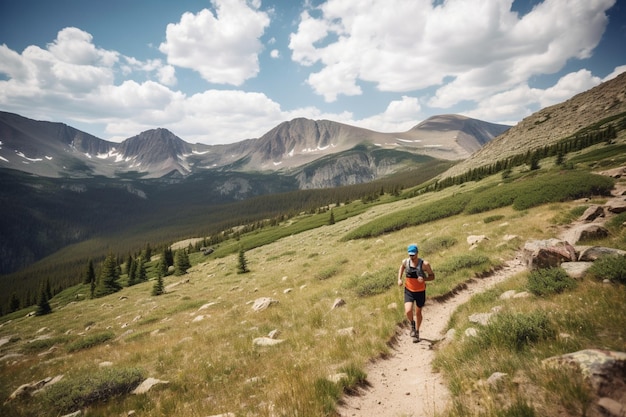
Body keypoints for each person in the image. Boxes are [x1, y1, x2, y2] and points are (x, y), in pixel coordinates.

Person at [397, 244, 435, 342]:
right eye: (410, 255)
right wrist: (399, 279)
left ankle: (417, 332)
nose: (412, 257)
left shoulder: (424, 264)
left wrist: (424, 279)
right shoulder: (405, 262)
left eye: (413, 255)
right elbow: (401, 268)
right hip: (409, 290)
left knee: (418, 313)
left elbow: (432, 276)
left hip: (420, 292)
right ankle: (412, 326)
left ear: (417, 253)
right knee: (408, 310)